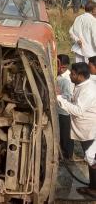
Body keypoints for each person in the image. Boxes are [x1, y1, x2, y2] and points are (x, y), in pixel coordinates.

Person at [57, 62, 96, 198]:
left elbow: (78, 110)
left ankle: (94, 189)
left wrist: (59, 99)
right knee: (91, 159)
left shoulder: (88, 90)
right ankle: (93, 186)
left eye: (73, 74)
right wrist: (62, 97)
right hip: (85, 129)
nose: (70, 76)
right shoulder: (81, 85)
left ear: (80, 76)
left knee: (92, 160)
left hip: (90, 130)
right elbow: (74, 102)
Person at [57, 54, 75, 159]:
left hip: (65, 111)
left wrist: (58, 95)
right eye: (60, 66)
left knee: (66, 134)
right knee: (60, 132)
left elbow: (69, 96)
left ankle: (67, 155)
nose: (61, 69)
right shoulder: (58, 76)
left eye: (63, 67)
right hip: (58, 109)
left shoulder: (67, 79)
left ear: (67, 66)